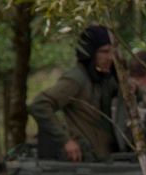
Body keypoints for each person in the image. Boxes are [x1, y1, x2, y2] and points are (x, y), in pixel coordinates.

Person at [29, 24, 119, 162]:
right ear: (90, 53)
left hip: (103, 159)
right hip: (84, 161)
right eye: (104, 52)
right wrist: (65, 141)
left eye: (112, 52)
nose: (110, 57)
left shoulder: (104, 78)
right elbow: (40, 105)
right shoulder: (77, 79)